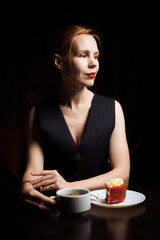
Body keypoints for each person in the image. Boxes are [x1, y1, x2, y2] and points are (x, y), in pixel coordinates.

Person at [20, 25, 130, 211]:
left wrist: (69, 186)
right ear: (59, 62)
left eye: (95, 56)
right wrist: (25, 187)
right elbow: (32, 173)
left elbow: (122, 173)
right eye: (83, 55)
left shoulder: (113, 108)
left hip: (102, 212)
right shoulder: (38, 112)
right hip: (54, 212)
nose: (93, 63)